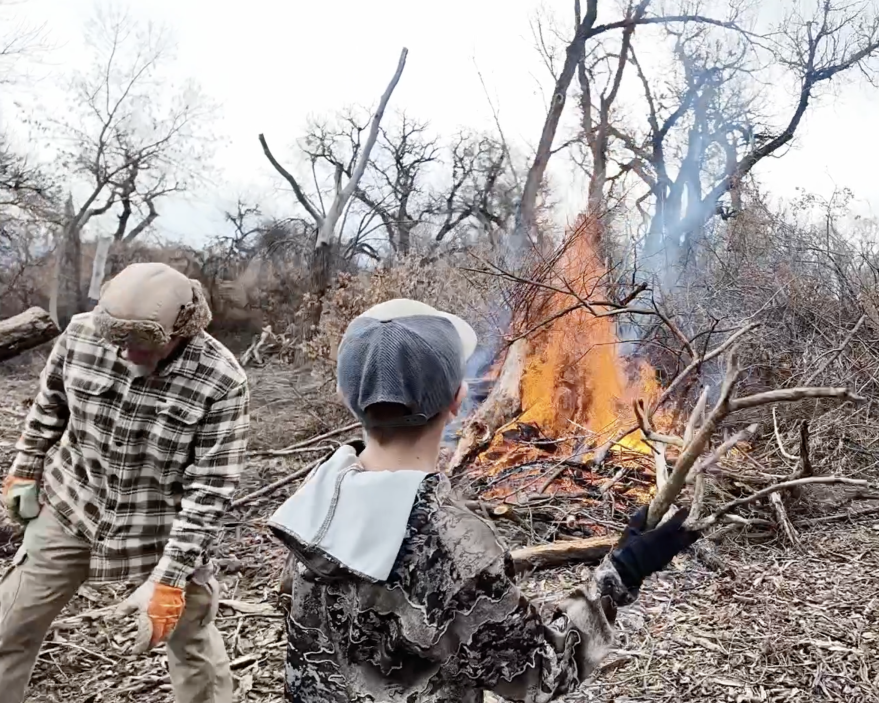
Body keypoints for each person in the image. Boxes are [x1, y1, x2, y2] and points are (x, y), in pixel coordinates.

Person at [267, 299, 700, 702]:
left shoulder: (315, 501)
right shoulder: (451, 545)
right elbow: (543, 670)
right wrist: (621, 573)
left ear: (344, 396)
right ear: (459, 400)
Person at [0, 262, 249, 703]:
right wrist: (27, 464)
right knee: (7, 627)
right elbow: (50, 404)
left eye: (142, 344)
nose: (127, 354)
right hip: (73, 505)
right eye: (119, 341)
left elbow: (210, 491)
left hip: (163, 528)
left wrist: (170, 578)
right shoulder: (80, 335)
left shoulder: (221, 379)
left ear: (182, 329)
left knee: (193, 649)